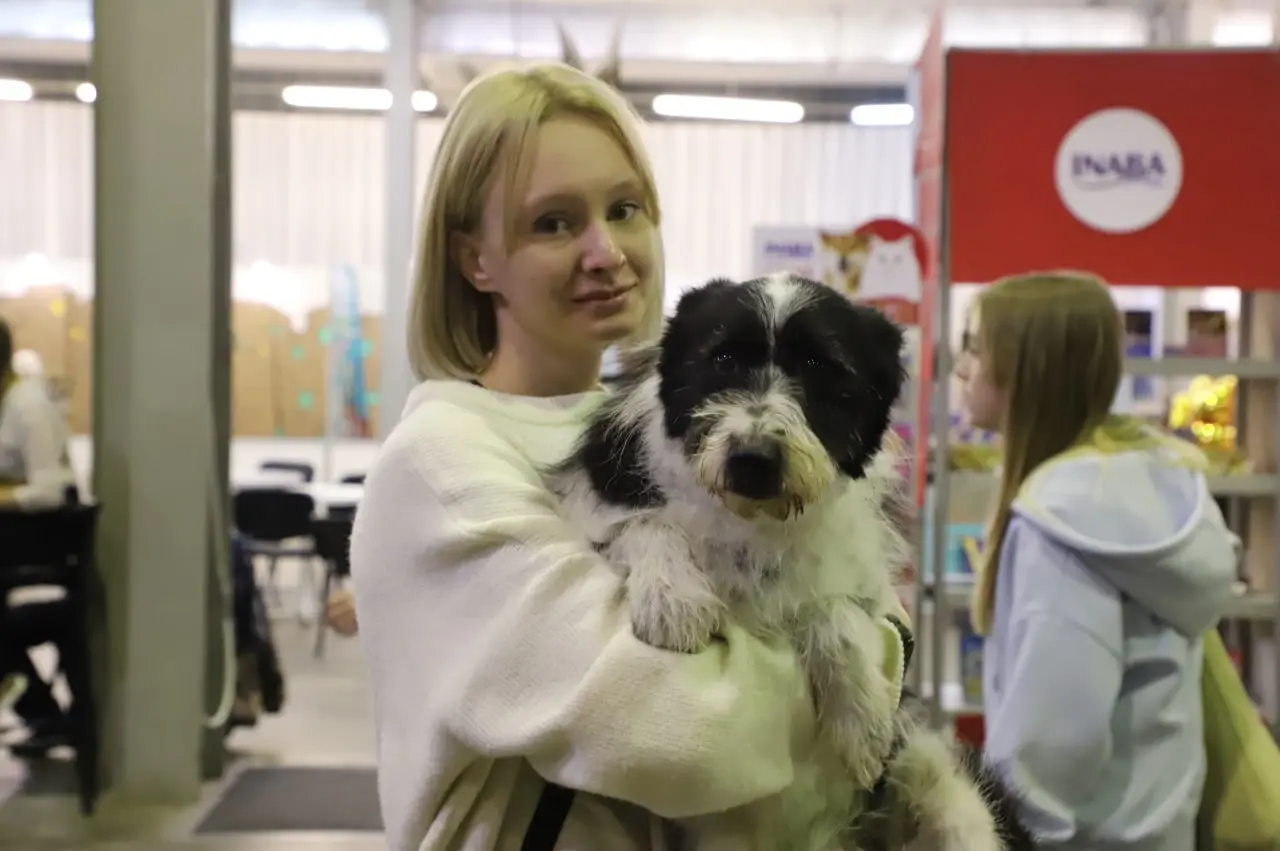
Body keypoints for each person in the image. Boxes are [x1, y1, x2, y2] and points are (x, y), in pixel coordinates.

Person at [351, 63, 909, 851]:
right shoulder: (443, 464)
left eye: (625, 209)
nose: (605, 251)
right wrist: (879, 650)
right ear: (475, 258)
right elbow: (685, 740)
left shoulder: (638, 430)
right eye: (552, 223)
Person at [955, 271, 1238, 851]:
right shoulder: (1137, 483)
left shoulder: (1061, 524)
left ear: (1027, 373)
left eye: (977, 350)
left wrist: (1010, 838)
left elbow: (1053, 740)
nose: (962, 368)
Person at [0, 317, 78, 757]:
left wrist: (4, 496)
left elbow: (50, 490)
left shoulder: (27, 407)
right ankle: (42, 716)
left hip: (46, 550)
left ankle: (43, 716)